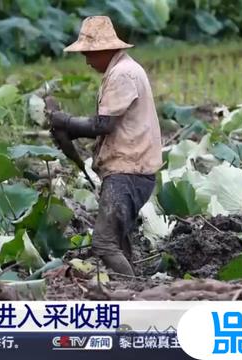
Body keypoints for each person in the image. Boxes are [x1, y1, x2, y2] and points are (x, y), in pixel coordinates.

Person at [49, 16, 163, 275]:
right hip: (131, 170)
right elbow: (110, 126)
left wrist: (64, 121)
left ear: (104, 49)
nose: (87, 62)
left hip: (128, 172)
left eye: (89, 54)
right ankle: (135, 287)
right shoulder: (122, 69)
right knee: (119, 241)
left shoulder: (122, 74)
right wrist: (71, 132)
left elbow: (103, 125)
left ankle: (133, 292)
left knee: (104, 242)